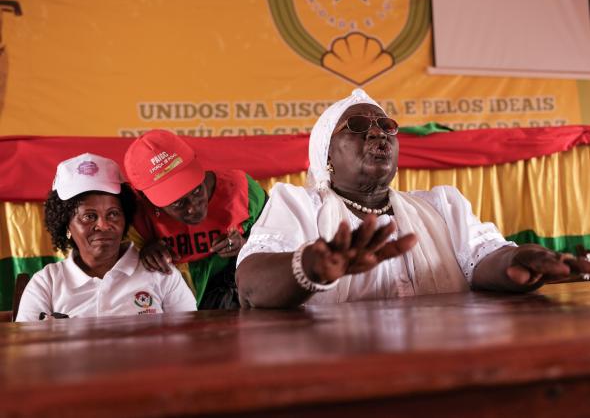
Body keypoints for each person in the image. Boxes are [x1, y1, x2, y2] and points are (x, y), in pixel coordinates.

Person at [236, 89, 587, 308]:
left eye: (386, 125)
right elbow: (252, 285)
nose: (378, 131)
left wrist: (518, 260)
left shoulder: (442, 206)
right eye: (357, 126)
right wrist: (310, 266)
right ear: (325, 156)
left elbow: (484, 259)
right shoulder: (297, 204)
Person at [16, 153, 196, 322]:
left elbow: (190, 337)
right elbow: (27, 349)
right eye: (89, 216)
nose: (103, 225)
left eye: (113, 214)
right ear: (66, 225)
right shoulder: (47, 282)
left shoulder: (160, 273)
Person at [124, 130, 267, 309]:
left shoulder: (242, 192)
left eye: (197, 190)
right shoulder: (135, 217)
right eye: (177, 203)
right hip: (170, 310)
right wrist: (140, 254)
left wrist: (247, 246)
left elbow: (280, 247)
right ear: (146, 198)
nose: (193, 207)